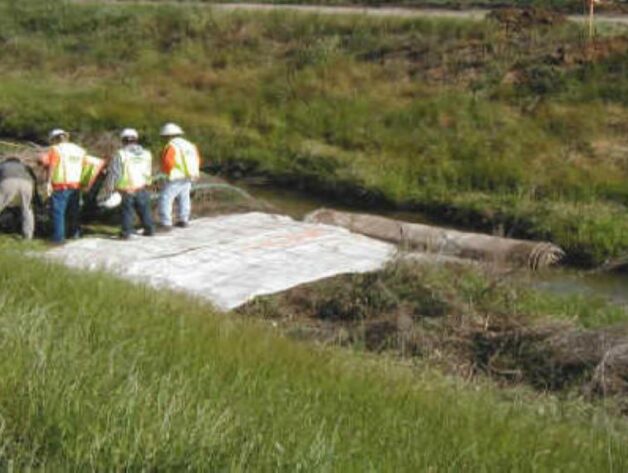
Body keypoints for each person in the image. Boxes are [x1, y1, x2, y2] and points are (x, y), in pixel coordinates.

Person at [104, 128, 155, 239]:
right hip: (142, 187)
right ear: (136, 139)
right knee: (145, 210)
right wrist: (148, 184)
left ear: (123, 140)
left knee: (127, 212)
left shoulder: (121, 154)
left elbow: (114, 173)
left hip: (126, 189)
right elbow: (148, 171)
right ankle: (149, 230)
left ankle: (126, 233)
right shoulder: (146, 154)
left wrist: (110, 188)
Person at [39, 129, 88, 243]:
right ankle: (75, 234)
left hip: (60, 186)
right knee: (74, 211)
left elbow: (52, 166)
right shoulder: (80, 150)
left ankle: (58, 238)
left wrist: (48, 182)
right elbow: (85, 167)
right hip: (76, 185)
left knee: (58, 213)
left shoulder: (56, 149)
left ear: (55, 139)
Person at [157, 123, 201, 231]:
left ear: (168, 135)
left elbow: (168, 162)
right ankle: (183, 220)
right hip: (189, 176)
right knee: (184, 197)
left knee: (165, 198)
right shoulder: (190, 145)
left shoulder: (171, 146)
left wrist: (167, 172)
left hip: (176, 176)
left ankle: (166, 223)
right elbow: (198, 159)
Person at [0, 157, 39, 240]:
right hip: (27, 184)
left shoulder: (3, 165)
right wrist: (36, 194)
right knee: (27, 209)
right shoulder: (24, 166)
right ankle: (28, 236)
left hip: (8, 181)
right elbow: (34, 178)